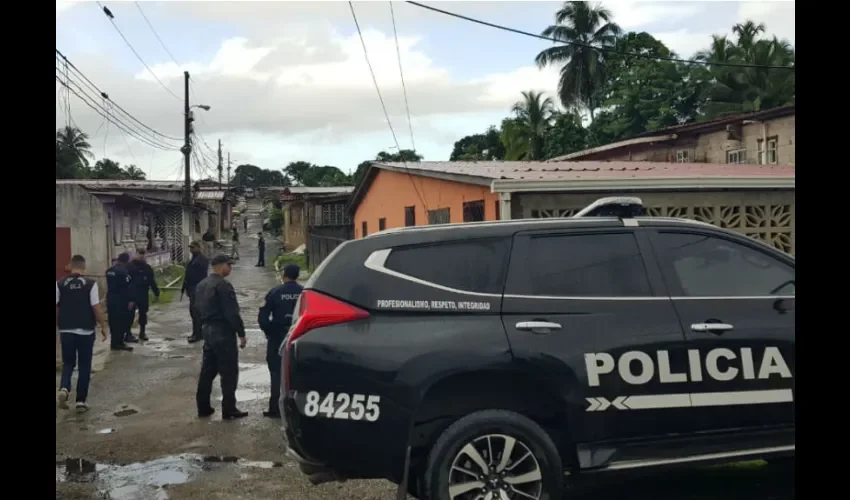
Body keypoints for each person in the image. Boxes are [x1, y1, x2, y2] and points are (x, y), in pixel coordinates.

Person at [194, 254, 249, 420]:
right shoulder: (223, 285)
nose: (230, 268)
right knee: (229, 371)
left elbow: (196, 308)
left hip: (207, 329)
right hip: (222, 331)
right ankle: (229, 408)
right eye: (228, 265)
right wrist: (241, 333)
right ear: (220, 265)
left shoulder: (202, 284)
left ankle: (203, 407)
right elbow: (231, 313)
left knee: (208, 370)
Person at [57, 255, 108, 413]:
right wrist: (103, 326)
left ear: (70, 266)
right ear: (84, 267)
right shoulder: (90, 284)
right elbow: (95, 307)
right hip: (85, 330)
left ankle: (64, 388)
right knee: (84, 365)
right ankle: (80, 401)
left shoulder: (59, 284)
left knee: (68, 363)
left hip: (66, 330)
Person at [257, 264, 302, 418]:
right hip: (299, 336)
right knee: (298, 372)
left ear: (284, 275)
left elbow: (263, 316)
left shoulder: (275, 292)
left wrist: (270, 331)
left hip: (278, 337)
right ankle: (297, 409)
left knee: (276, 372)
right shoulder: (304, 293)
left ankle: (275, 408)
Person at [127, 249, 160, 342]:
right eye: (139, 254)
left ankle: (142, 332)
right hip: (132, 294)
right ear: (135, 254)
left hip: (143, 293)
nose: (141, 256)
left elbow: (151, 281)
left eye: (143, 255)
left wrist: (156, 292)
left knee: (143, 313)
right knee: (130, 314)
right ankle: (128, 333)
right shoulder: (130, 266)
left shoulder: (147, 268)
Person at [106, 253, 134, 351]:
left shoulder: (109, 270)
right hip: (121, 299)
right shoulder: (123, 272)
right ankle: (119, 342)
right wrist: (131, 300)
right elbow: (127, 287)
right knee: (121, 321)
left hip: (110, 298)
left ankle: (114, 342)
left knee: (112, 321)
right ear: (126, 261)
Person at [182, 241, 210, 343]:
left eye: (193, 248)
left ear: (198, 247)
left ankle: (198, 334)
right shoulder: (194, 258)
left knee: (196, 312)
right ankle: (197, 333)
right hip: (192, 288)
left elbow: (196, 274)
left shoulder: (202, 259)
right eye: (190, 248)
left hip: (197, 288)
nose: (191, 250)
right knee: (194, 312)